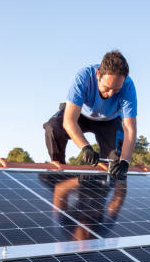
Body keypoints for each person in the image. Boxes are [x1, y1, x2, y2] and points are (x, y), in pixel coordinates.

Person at [43, 50, 137, 179]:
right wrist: (85, 147)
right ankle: (60, 171)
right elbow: (69, 121)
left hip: (109, 121)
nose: (110, 94)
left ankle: (98, 189)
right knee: (53, 127)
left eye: (116, 90)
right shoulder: (83, 78)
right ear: (98, 74)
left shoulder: (128, 86)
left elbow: (129, 129)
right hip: (80, 114)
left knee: (114, 167)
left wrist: (125, 161)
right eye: (107, 87)